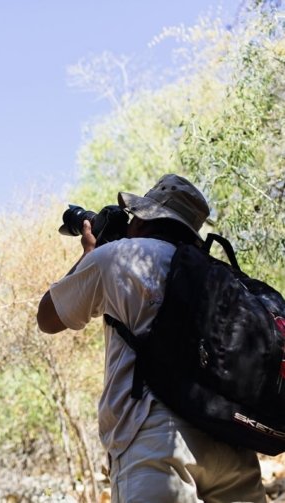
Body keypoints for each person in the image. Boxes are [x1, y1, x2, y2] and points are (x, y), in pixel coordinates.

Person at [36, 174, 266, 503]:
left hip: (156, 441)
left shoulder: (119, 257)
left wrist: (89, 254)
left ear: (145, 218)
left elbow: (48, 317)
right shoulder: (219, 275)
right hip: (232, 445)